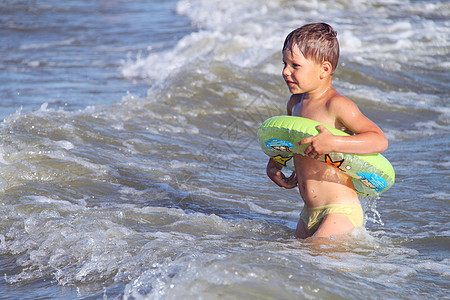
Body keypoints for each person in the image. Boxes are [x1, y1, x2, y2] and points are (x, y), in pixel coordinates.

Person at [266, 23, 388, 239]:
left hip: (339, 209)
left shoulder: (337, 105)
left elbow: (378, 140)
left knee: (314, 255)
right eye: (284, 63)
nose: (285, 71)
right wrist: (275, 165)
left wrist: (333, 143)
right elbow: (289, 140)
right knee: (296, 263)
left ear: (324, 69)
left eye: (295, 65)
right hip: (308, 212)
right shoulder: (294, 103)